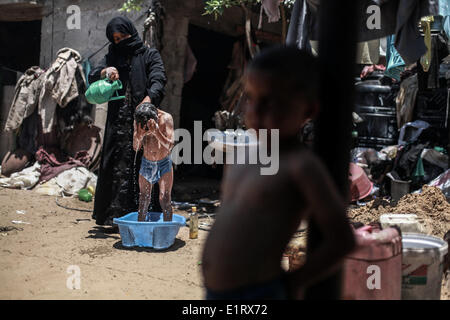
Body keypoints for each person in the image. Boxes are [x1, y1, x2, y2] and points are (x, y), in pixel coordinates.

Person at [201, 46, 356, 299]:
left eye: (270, 102)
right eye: (251, 98)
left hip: (258, 293)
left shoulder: (301, 166)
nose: (256, 112)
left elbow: (342, 240)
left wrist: (295, 282)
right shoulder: (243, 154)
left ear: (307, 111)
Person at [89, 16, 167, 226]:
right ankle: (113, 218)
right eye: (115, 38)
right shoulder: (111, 57)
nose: (120, 41)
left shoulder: (149, 55)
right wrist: (106, 72)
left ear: (131, 32)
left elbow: (159, 79)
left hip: (143, 122)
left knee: (144, 168)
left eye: (123, 36)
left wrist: (148, 101)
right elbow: (93, 75)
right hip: (118, 123)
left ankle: (143, 217)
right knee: (115, 167)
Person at [133, 103, 174, 222]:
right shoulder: (138, 119)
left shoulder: (166, 118)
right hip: (147, 163)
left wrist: (156, 132)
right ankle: (140, 232)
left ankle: (167, 233)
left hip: (164, 162)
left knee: (165, 199)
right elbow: (136, 147)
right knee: (143, 200)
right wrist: (139, 135)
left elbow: (170, 145)